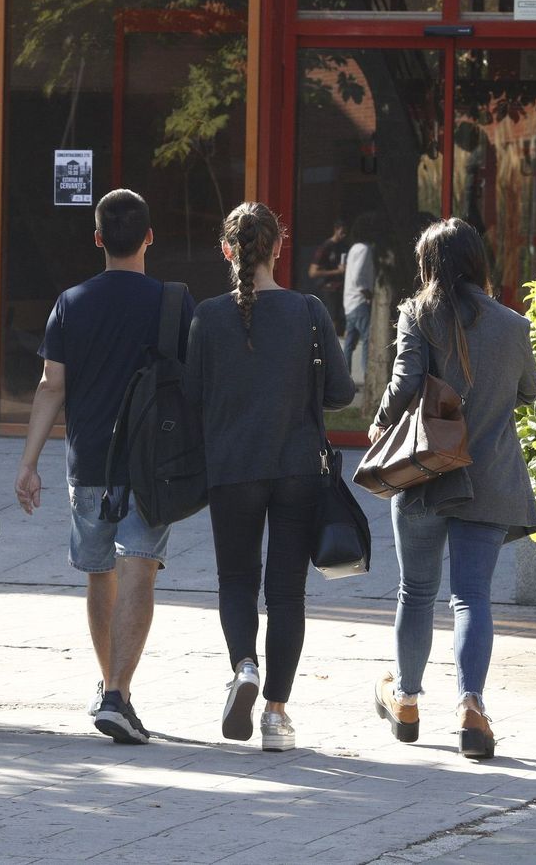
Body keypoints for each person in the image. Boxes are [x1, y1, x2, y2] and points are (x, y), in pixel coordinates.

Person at [14, 189, 193, 746]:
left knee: (100, 573)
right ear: (149, 237)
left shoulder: (71, 302)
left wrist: (28, 463)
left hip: (89, 460)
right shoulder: (172, 302)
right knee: (139, 568)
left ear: (97, 239)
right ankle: (117, 692)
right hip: (153, 463)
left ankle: (110, 687)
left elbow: (51, 386)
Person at [368, 218, 536, 761]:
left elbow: (404, 383)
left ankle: (407, 702)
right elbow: (528, 392)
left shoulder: (418, 314)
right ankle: (471, 708)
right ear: (476, 261)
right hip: (489, 477)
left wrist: (379, 425)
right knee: (472, 597)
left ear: (429, 267)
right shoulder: (513, 324)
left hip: (425, 475)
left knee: (416, 592)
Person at [185, 202, 353, 752]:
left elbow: (191, 397)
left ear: (227, 251)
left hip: (231, 467)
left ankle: (244, 667)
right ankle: (277, 716)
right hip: (297, 466)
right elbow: (340, 393)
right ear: (278, 248)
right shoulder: (309, 311)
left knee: (236, 580)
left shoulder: (208, 317)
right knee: (286, 593)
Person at [341, 233, 375, 381]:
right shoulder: (364, 249)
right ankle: (367, 374)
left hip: (349, 302)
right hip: (359, 301)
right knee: (368, 338)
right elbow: (358, 277)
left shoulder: (354, 248)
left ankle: (344, 378)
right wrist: (368, 294)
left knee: (349, 343)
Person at [307, 218, 348, 332]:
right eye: (342, 232)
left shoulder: (343, 246)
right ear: (336, 230)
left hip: (341, 287)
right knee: (332, 317)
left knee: (340, 317)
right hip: (328, 287)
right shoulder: (326, 247)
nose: (344, 235)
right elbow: (312, 272)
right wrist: (336, 271)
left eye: (346, 233)